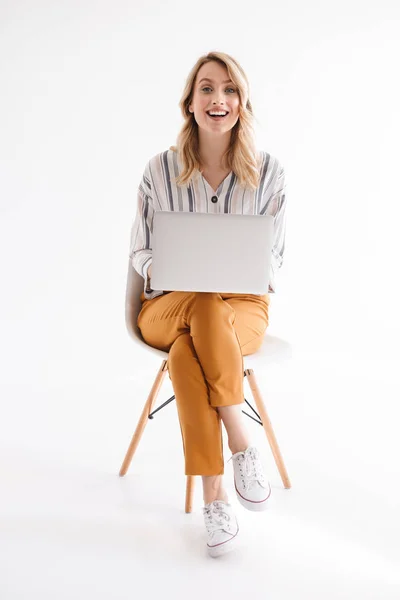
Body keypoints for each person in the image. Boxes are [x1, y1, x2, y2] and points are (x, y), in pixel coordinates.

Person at [128, 51, 287, 558]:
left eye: (229, 90)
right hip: (166, 306)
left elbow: (274, 260)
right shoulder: (160, 169)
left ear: (242, 102)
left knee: (189, 349)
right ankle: (241, 439)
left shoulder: (268, 173)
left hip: (241, 309)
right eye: (207, 89)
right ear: (189, 103)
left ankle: (214, 495)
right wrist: (168, 269)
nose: (218, 99)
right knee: (198, 302)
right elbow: (139, 251)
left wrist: (227, 277)